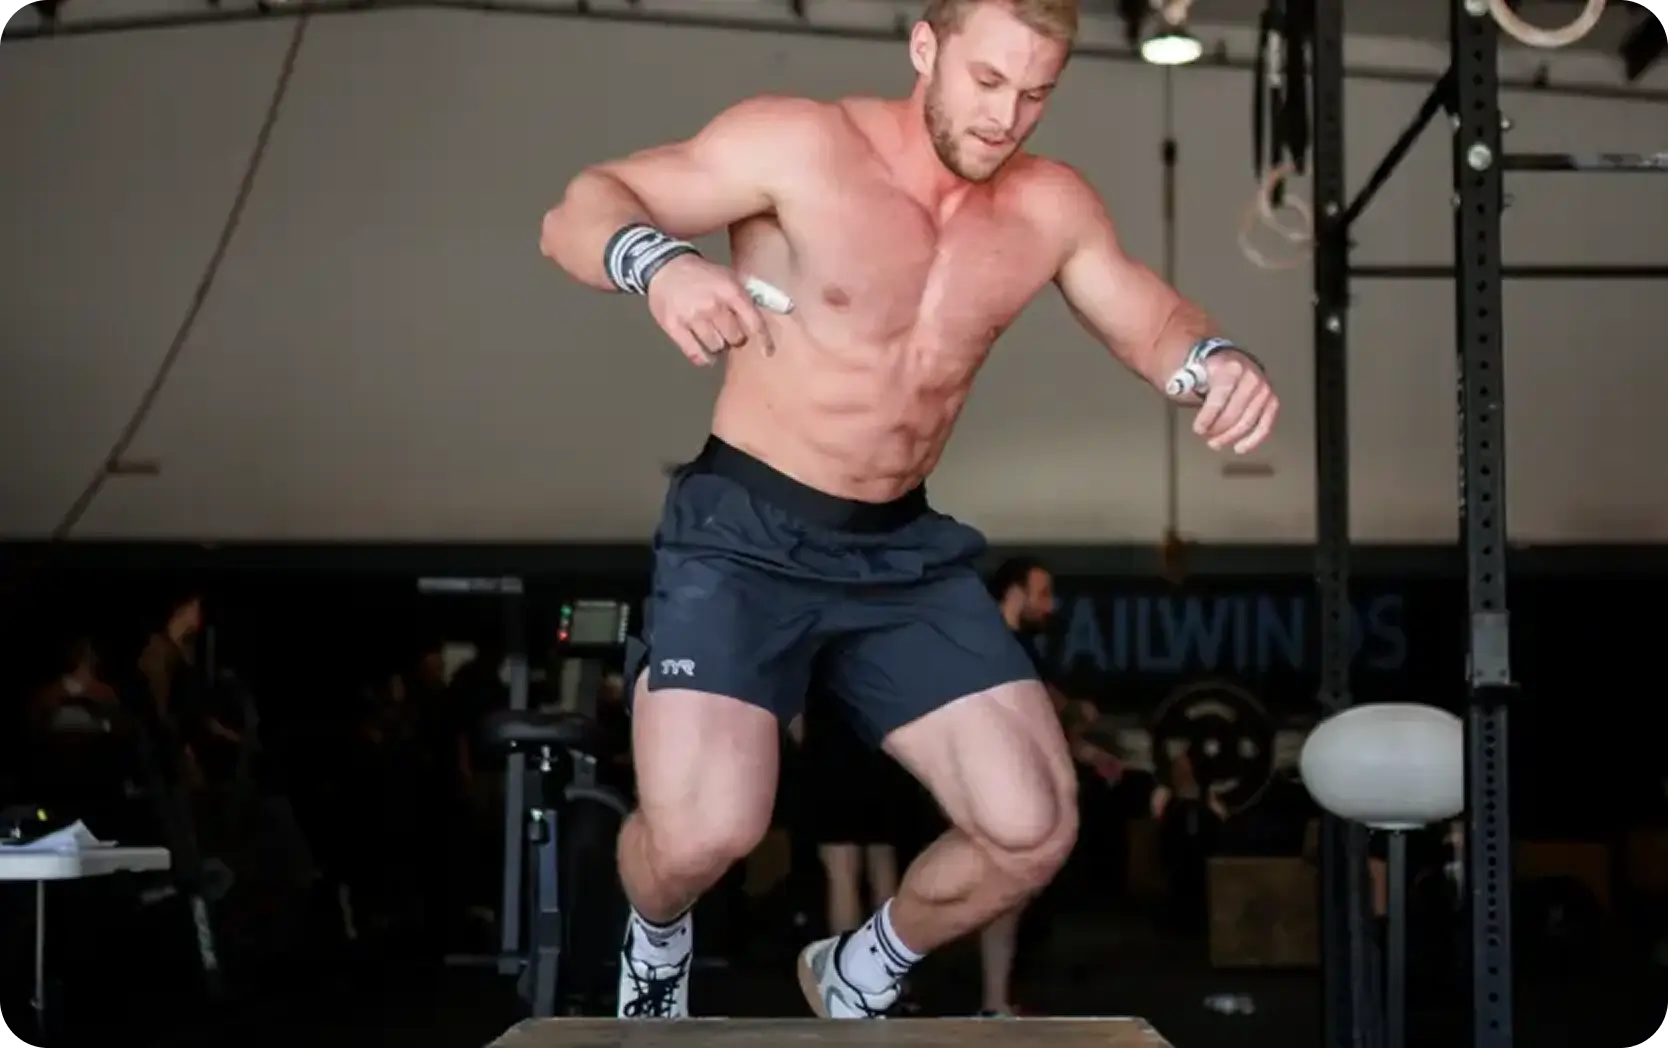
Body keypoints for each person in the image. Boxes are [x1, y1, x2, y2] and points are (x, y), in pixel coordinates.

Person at [538, 0, 1280, 1020]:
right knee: (704, 832)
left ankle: (859, 968)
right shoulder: (799, 144)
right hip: (744, 530)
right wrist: (654, 262)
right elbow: (578, 208)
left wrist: (1213, 359)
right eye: (986, 82)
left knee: (1034, 825)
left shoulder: (1047, 206)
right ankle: (657, 935)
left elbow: (1144, 312)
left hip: (898, 550)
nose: (1006, 116)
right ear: (925, 48)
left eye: (1034, 93)